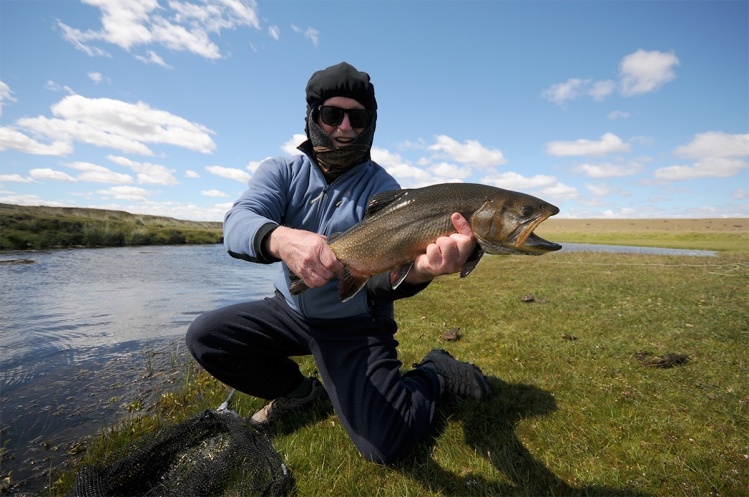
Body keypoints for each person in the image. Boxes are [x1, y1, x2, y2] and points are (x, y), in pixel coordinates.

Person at [186, 62, 490, 465]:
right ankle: (299, 393)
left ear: (370, 124)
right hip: (289, 312)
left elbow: (382, 283)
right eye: (332, 115)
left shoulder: (385, 192)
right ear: (312, 117)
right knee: (207, 336)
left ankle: (434, 372)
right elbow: (238, 224)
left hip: (356, 325)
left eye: (358, 117)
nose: (345, 127)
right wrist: (280, 238)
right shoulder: (281, 171)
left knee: (386, 446)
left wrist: (420, 271)